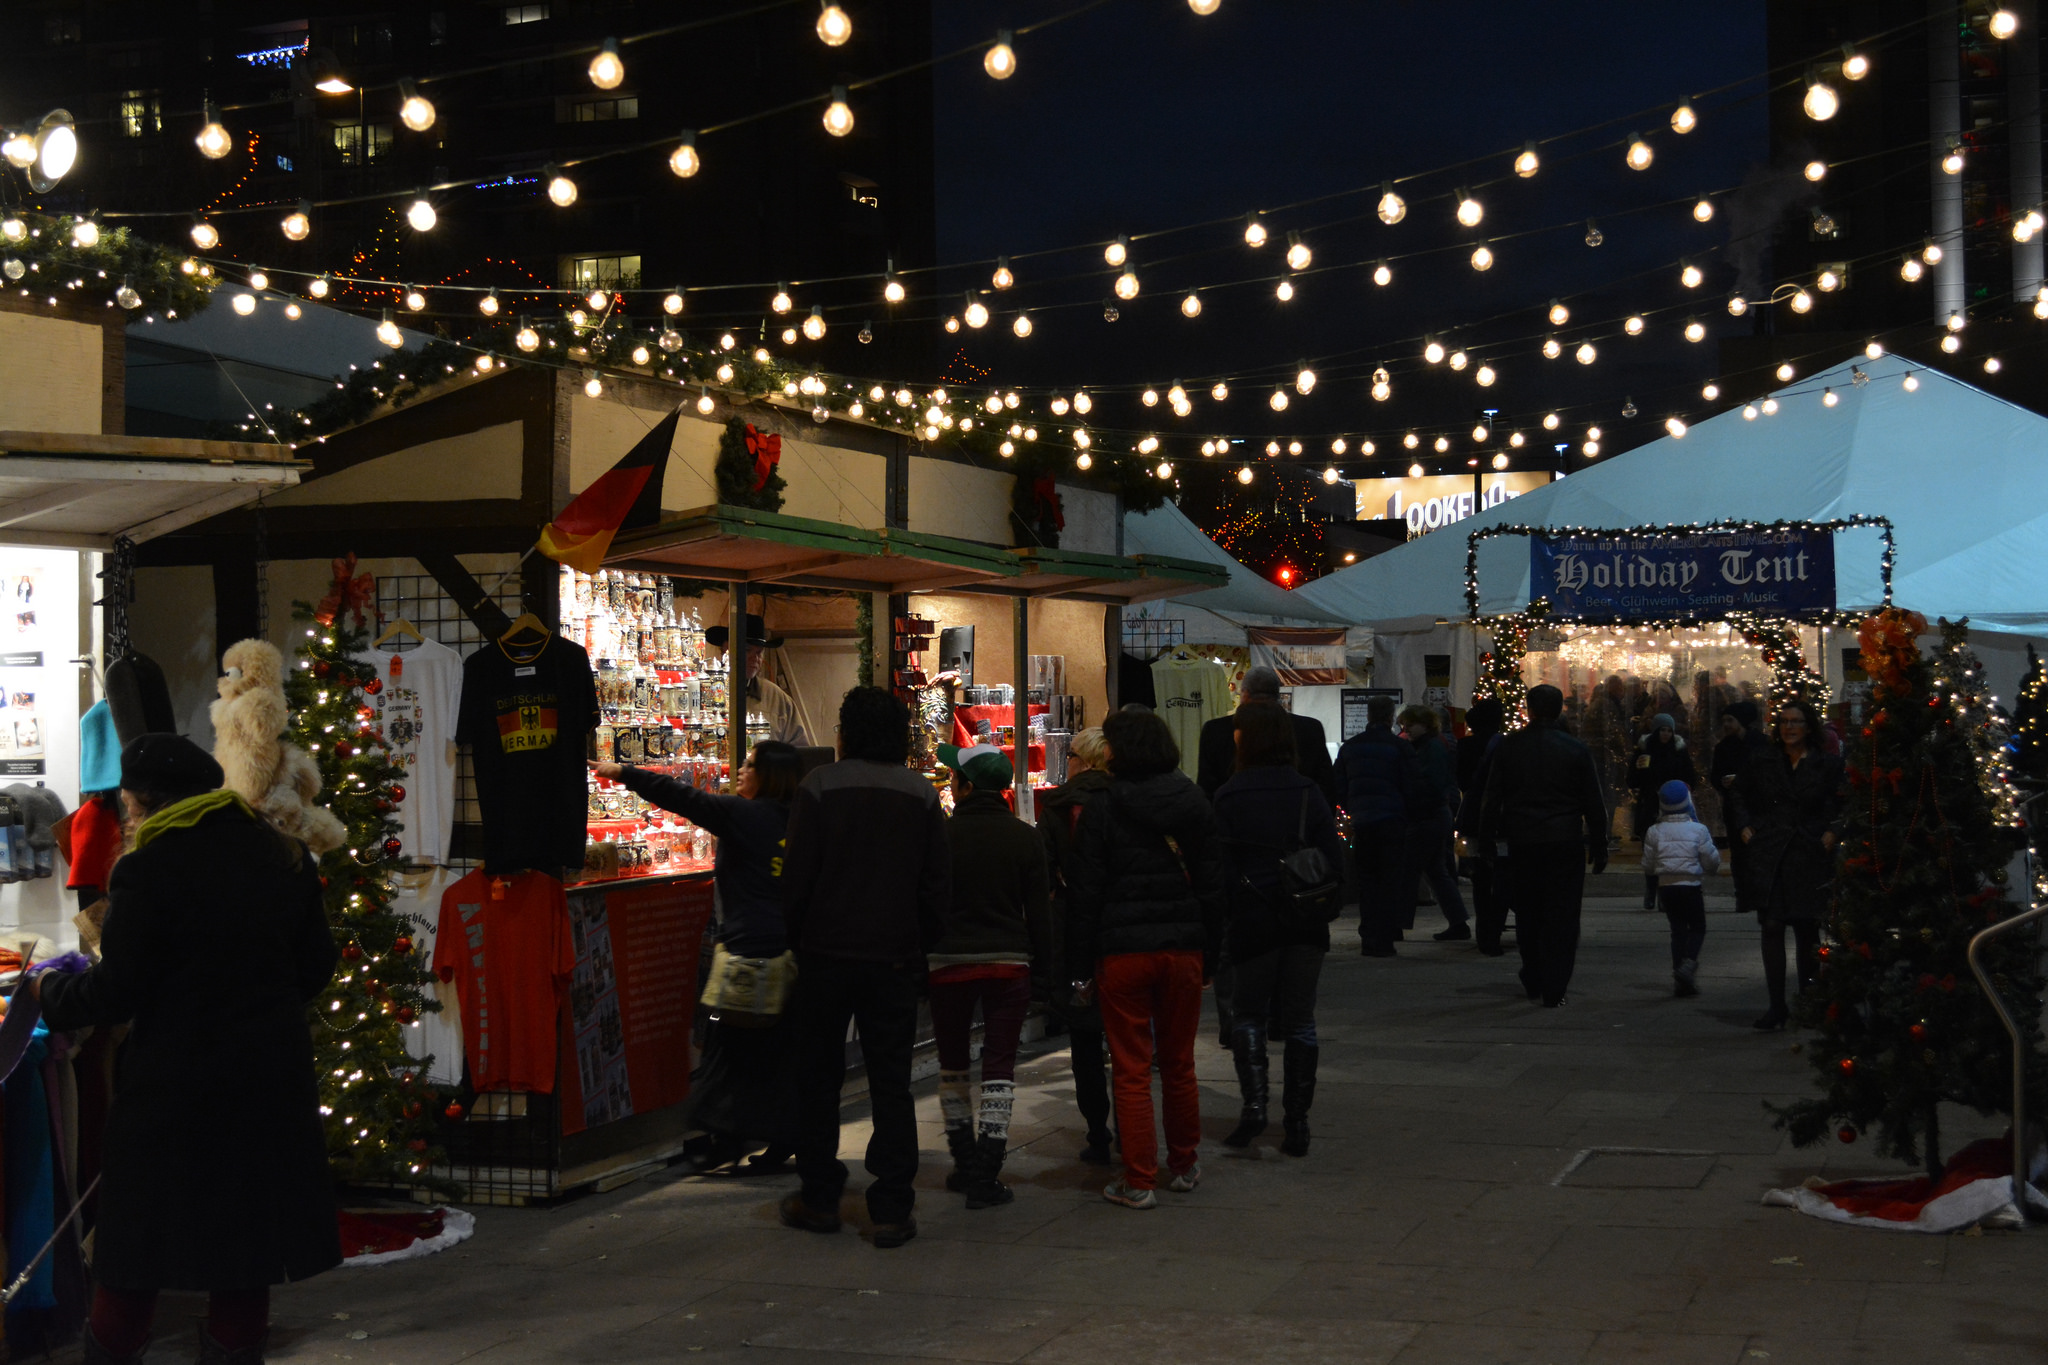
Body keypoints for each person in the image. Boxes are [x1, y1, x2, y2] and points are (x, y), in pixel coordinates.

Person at [33, 734, 339, 1365]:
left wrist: (49, 992)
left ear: (141, 800)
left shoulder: (150, 866)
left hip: (176, 1088)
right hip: (266, 1081)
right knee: (244, 1250)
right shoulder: (283, 854)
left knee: (135, 1249)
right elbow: (317, 968)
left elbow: (117, 991)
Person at [778, 687, 950, 1249]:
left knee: (817, 1079)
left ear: (845, 733)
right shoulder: (920, 794)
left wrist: (796, 941)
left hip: (826, 955)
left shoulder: (818, 787)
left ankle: (821, 1195)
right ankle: (892, 1207)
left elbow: (797, 878)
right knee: (891, 1084)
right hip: (893, 957)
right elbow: (934, 886)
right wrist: (921, 947)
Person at [592, 740, 803, 1175]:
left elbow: (683, 797)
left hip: (747, 954)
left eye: (749, 764)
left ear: (770, 775)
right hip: (789, 952)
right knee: (771, 1050)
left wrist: (625, 772)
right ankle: (775, 1136)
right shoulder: (799, 819)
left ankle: (726, 1137)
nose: (740, 770)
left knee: (727, 1045)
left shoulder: (744, 815)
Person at [1067, 707, 1225, 1210]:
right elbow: (1212, 885)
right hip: (1183, 948)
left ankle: (1138, 1179)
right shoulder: (1193, 800)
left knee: (1131, 1067)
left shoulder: (1103, 807)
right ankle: (1183, 1164)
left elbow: (1085, 892)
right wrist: (1212, 954)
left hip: (1123, 951)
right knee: (1178, 1062)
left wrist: (1078, 966)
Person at [1211, 701, 1343, 1156]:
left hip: (1253, 916)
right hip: (1304, 917)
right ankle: (1297, 1123)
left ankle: (1254, 1107)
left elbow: (1221, 869)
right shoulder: (1307, 790)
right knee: (1301, 1019)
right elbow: (1333, 857)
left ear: (1245, 740)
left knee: (1248, 1013)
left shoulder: (1230, 794)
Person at [930, 741, 1050, 1209]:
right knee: (999, 1067)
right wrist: (1044, 976)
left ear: (964, 786)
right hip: (1008, 964)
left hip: (947, 965)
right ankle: (986, 1173)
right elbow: (1039, 915)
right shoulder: (1025, 838)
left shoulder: (940, 836)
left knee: (953, 1065)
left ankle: (963, 1163)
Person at [1476, 684, 1608, 1008]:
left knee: (1529, 911)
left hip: (1524, 839)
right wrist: (1600, 843)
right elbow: (1593, 800)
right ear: (1561, 709)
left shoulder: (1510, 747)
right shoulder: (1575, 749)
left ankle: (1533, 971)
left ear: (1529, 709)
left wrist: (1486, 839)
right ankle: (1555, 983)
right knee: (1562, 914)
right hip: (1564, 839)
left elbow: (1492, 797)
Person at [1727, 698, 1844, 1032]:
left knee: (1807, 929)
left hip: (1808, 851)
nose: (1789, 727)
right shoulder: (1763, 760)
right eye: (1784, 722)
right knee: (1773, 925)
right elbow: (1738, 794)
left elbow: (1844, 801)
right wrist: (1746, 826)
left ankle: (1808, 1000)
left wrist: (1833, 831)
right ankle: (1776, 1005)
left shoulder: (1826, 764)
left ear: (1808, 727)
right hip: (1772, 850)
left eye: (1796, 721)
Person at [1035, 726, 1115, 1164]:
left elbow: (1044, 873)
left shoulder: (1057, 807)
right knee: (1124, 1037)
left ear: (1083, 761)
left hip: (1073, 934)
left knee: (1084, 1037)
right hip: (1118, 931)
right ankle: (1131, 1126)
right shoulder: (1124, 801)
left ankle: (1096, 1130)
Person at [1332, 693, 1429, 956]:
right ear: (1390, 717)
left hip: (1362, 821)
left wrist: (1349, 810)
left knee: (1366, 880)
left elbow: (1338, 786)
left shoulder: (1350, 747)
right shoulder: (1400, 747)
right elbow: (1413, 785)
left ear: (1368, 716)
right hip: (1392, 821)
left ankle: (1369, 936)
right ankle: (1384, 938)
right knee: (1389, 880)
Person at [1196, 666, 1336, 803]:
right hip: (1295, 818)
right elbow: (1327, 788)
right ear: (1277, 694)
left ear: (1244, 694)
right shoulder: (1310, 729)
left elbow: (1206, 791)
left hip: (1236, 817)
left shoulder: (1215, 730)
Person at [1399, 704, 1472, 941]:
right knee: (1436, 871)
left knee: (1410, 870)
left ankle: (1399, 923)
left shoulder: (1430, 748)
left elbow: (1431, 784)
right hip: (1434, 815)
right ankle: (1458, 921)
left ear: (1425, 724)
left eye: (1411, 723)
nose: (1406, 727)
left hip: (1427, 816)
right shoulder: (1433, 745)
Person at [1641, 778, 1719, 997]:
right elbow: (1710, 860)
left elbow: (1647, 864)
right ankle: (1689, 964)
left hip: (1667, 888)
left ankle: (1680, 980)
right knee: (1697, 927)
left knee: (1677, 932)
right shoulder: (1698, 829)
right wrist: (1712, 868)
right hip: (1691, 886)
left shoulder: (1654, 831)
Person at [1455, 698, 1511, 956]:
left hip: (1472, 816)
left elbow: (1460, 780)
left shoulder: (1464, 746)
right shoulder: (1506, 745)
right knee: (1501, 876)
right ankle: (1494, 929)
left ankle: (1483, 931)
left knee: (1480, 877)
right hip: (1501, 817)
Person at [705, 613, 811, 745]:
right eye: (747, 650)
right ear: (726, 648)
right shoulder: (703, 691)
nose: (755, 658)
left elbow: (799, 751)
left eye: (759, 652)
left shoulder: (776, 698)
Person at [1630, 713, 1699, 909]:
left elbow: (1690, 777)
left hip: (1672, 808)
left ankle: (1663, 893)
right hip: (1650, 805)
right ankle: (1651, 889)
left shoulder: (1678, 751)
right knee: (1650, 849)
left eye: (1669, 730)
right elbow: (1632, 778)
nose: (1666, 734)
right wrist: (1641, 776)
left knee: (1667, 851)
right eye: (1663, 730)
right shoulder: (1644, 751)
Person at [1709, 701, 1767, 915]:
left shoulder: (1760, 744)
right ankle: (1742, 895)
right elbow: (1715, 775)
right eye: (1724, 720)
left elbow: (1766, 774)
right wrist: (1722, 782)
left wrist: (1741, 779)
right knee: (1739, 854)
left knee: (1757, 852)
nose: (1726, 724)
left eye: (1729, 720)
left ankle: (1758, 895)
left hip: (1758, 807)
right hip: (1733, 807)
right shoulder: (1723, 747)